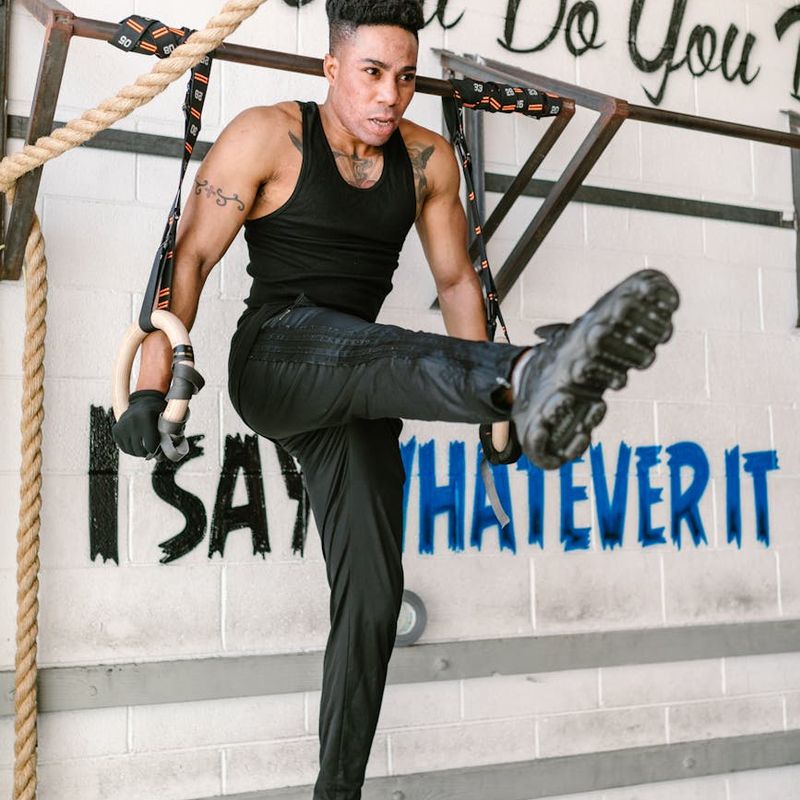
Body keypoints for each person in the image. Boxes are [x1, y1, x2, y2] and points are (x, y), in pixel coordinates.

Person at [112, 1, 679, 796]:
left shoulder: (427, 159)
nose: (390, 95)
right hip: (278, 356)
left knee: (374, 597)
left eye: (406, 77)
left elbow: (453, 281)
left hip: (359, 383)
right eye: (373, 73)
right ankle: (528, 375)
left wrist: (494, 426)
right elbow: (193, 258)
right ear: (332, 69)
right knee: (367, 345)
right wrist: (147, 387)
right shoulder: (266, 135)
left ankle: (335, 790)